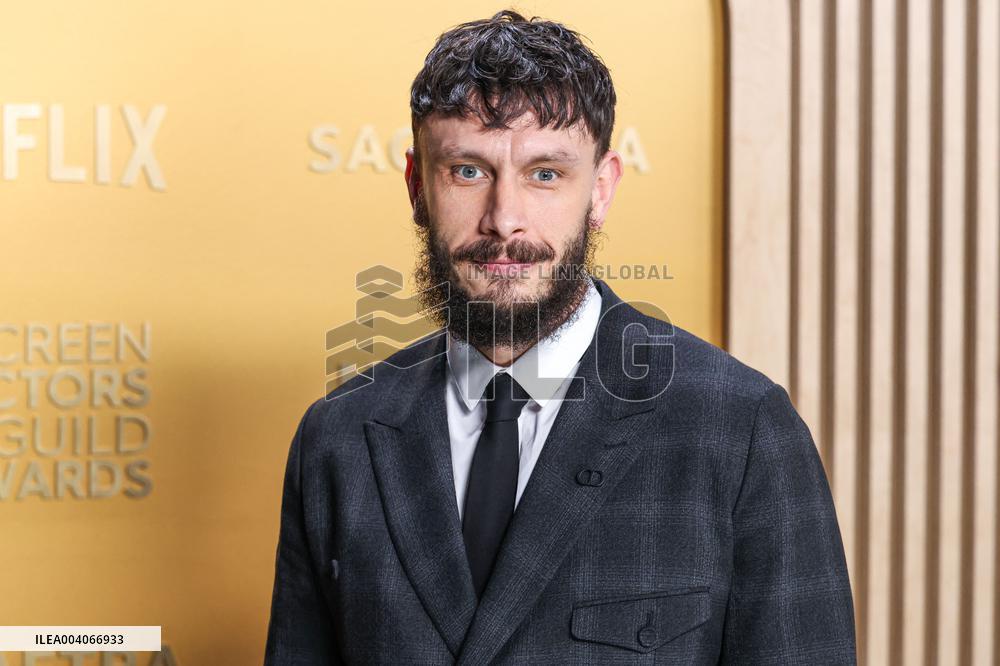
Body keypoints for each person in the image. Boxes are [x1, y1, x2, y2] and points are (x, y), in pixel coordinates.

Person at [264, 9, 856, 664]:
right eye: (467, 170)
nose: (504, 220)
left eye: (545, 173)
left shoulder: (740, 429)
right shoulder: (337, 438)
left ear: (600, 190)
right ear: (416, 186)